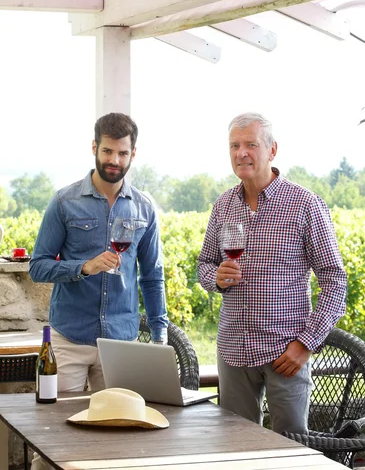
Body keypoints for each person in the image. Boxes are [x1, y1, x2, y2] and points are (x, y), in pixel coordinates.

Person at [198, 112, 347, 434]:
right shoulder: (223, 205)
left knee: (290, 450)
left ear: (272, 150)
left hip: (286, 352)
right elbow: (204, 266)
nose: (241, 153)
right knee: (236, 447)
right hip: (233, 350)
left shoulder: (304, 204)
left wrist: (305, 344)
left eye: (251, 144)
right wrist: (216, 278)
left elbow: (335, 280)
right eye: (234, 146)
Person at [30, 112, 168, 395]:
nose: (114, 161)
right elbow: (38, 267)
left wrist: (159, 332)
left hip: (121, 341)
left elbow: (152, 276)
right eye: (107, 151)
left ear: (133, 154)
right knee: (57, 427)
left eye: (122, 153)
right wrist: (83, 267)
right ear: (94, 148)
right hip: (70, 339)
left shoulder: (143, 208)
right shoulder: (64, 202)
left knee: (118, 430)